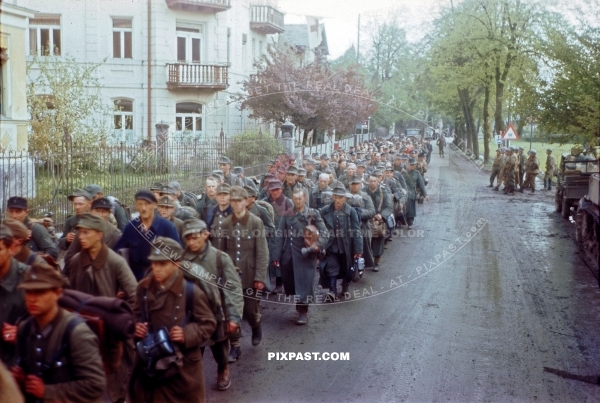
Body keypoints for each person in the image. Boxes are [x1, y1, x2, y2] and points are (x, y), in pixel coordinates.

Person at [129, 237, 216, 403]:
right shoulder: (144, 288)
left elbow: (208, 322)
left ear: (176, 264)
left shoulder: (191, 292)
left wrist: (186, 334)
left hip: (182, 369)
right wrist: (135, 326)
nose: (157, 269)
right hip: (151, 364)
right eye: (154, 264)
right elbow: (135, 313)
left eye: (163, 264)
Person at [66, 212, 137, 403]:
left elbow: (135, 295)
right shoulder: (76, 262)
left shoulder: (115, 262)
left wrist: (122, 318)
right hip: (83, 329)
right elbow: (69, 293)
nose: (81, 237)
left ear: (99, 234)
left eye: (86, 233)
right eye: (80, 233)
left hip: (111, 331)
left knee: (117, 380)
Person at [12, 263, 106, 402]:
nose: (32, 298)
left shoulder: (76, 333)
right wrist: (23, 379)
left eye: (40, 292)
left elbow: (95, 385)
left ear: (57, 293)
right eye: (28, 292)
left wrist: (47, 391)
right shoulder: (25, 329)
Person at [181, 219, 243, 390]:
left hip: (217, 312)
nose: (191, 242)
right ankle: (194, 377)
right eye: (188, 238)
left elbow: (233, 290)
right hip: (193, 314)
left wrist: (233, 317)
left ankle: (223, 369)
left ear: (205, 235)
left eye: (195, 237)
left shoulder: (219, 259)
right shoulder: (182, 259)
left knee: (220, 349)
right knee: (194, 348)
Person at [220, 187, 268, 361]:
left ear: (247, 202)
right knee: (232, 310)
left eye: (240, 201)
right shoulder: (225, 224)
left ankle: (256, 324)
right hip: (231, 275)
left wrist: (260, 277)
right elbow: (221, 252)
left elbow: (262, 252)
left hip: (250, 274)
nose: (236, 204)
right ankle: (236, 346)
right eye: (233, 201)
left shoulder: (256, 222)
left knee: (249, 310)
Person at [273, 188, 328, 324]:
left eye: (300, 198)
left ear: (305, 199)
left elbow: (325, 232)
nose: (298, 201)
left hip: (307, 255)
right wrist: (276, 256)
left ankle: (303, 311)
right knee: (291, 283)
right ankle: (300, 303)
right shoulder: (287, 214)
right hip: (290, 254)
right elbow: (280, 235)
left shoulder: (313, 214)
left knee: (305, 283)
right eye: (295, 198)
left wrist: (318, 245)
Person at [113, 190, 181, 281]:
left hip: (160, 279)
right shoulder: (131, 227)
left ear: (154, 205)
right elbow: (116, 253)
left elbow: (178, 256)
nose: (144, 208)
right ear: (136, 206)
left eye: (147, 204)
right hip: (135, 280)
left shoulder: (167, 227)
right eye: (140, 204)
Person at [319, 185, 363, 298]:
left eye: (341, 198)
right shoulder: (325, 211)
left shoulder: (351, 211)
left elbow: (357, 230)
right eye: (336, 197)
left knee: (346, 267)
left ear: (345, 198)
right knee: (331, 267)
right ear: (333, 197)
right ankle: (332, 290)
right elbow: (319, 229)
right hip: (331, 245)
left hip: (346, 246)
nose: (338, 200)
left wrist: (358, 249)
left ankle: (345, 286)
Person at [64, 197, 123, 270]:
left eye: (104, 212)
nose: (100, 215)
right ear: (91, 211)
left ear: (109, 214)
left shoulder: (116, 235)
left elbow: (119, 264)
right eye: (97, 211)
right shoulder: (83, 230)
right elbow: (69, 257)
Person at [0, 225, 28, 366]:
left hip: (17, 358)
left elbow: (51, 323)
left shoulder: (29, 278)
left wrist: (22, 332)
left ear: (11, 249)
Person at [364, 172, 393, 271]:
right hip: (366, 219)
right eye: (371, 181)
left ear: (378, 181)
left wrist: (382, 215)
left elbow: (389, 206)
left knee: (378, 240)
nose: (372, 183)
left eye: (374, 181)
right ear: (368, 182)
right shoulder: (363, 191)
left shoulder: (383, 191)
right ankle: (364, 261)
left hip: (378, 221)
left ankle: (376, 262)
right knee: (364, 241)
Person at [402, 159, 429, 227]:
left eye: (414, 165)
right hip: (403, 190)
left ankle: (410, 220)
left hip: (411, 191)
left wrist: (425, 194)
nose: (412, 166)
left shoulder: (417, 173)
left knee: (410, 206)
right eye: (411, 165)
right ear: (408, 165)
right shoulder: (403, 172)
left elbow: (421, 184)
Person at [206, 183, 233, 249]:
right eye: (219, 194)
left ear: (230, 196)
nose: (222, 197)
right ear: (216, 197)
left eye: (225, 194)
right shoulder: (210, 212)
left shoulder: (235, 212)